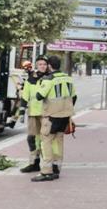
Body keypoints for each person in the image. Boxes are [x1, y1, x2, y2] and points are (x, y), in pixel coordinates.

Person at [31, 54, 77, 182]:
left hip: (51, 116)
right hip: (65, 116)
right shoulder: (68, 78)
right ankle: (57, 168)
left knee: (46, 142)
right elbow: (74, 97)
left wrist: (39, 85)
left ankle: (46, 172)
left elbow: (40, 96)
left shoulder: (48, 79)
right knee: (59, 141)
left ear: (49, 66)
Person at [19, 55, 48, 174]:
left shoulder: (49, 78)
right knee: (31, 138)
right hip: (33, 113)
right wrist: (21, 112)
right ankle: (33, 163)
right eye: (40, 64)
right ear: (36, 65)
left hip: (46, 113)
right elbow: (25, 96)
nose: (43, 66)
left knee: (45, 139)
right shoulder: (31, 79)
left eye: (45, 64)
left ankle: (47, 164)